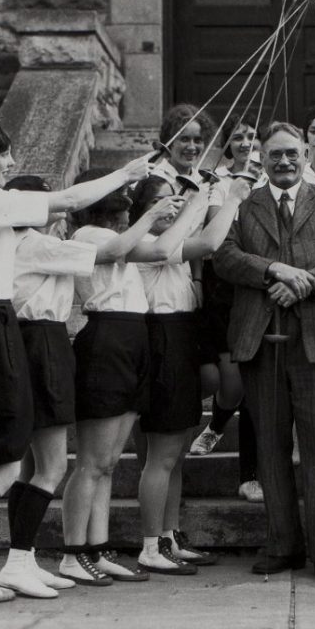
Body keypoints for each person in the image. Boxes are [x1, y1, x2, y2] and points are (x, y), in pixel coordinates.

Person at [0, 117, 154, 618]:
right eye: (8, 156)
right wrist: (125, 173)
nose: (12, 164)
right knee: (5, 463)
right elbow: (69, 202)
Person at [213, 121, 315, 587]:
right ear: (262, 157)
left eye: (291, 153)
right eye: (274, 154)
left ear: (304, 154)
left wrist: (305, 283)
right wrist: (274, 269)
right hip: (260, 341)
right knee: (270, 448)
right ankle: (282, 544)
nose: (284, 162)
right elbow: (224, 256)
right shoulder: (244, 204)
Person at [60, 170, 197, 585]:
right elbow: (122, 246)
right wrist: (153, 211)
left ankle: (96, 549)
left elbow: (165, 248)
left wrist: (196, 200)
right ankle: (72, 553)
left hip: (132, 337)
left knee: (109, 463)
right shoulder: (85, 234)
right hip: (106, 337)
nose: (125, 207)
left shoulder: (122, 239)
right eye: (119, 200)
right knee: (91, 462)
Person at [130, 174, 249, 574]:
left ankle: (169, 535)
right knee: (161, 457)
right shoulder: (148, 245)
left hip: (180, 339)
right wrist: (229, 198)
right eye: (162, 201)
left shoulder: (173, 248)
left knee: (175, 456)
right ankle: (150, 544)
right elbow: (211, 243)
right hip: (160, 340)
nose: (172, 207)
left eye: (175, 200)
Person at [0, 175, 94, 599]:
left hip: (35, 342)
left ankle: (25, 558)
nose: (59, 207)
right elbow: (115, 251)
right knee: (53, 466)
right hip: (42, 344)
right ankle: (16, 562)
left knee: (33, 468)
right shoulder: (33, 243)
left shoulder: (20, 243)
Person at [191, 114, 264, 505]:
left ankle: (249, 474)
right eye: (238, 136)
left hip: (258, 284)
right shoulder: (217, 181)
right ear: (228, 143)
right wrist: (199, 280)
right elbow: (210, 233)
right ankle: (216, 424)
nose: (245, 142)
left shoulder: (271, 177)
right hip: (222, 285)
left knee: (251, 388)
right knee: (231, 384)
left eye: (252, 136)